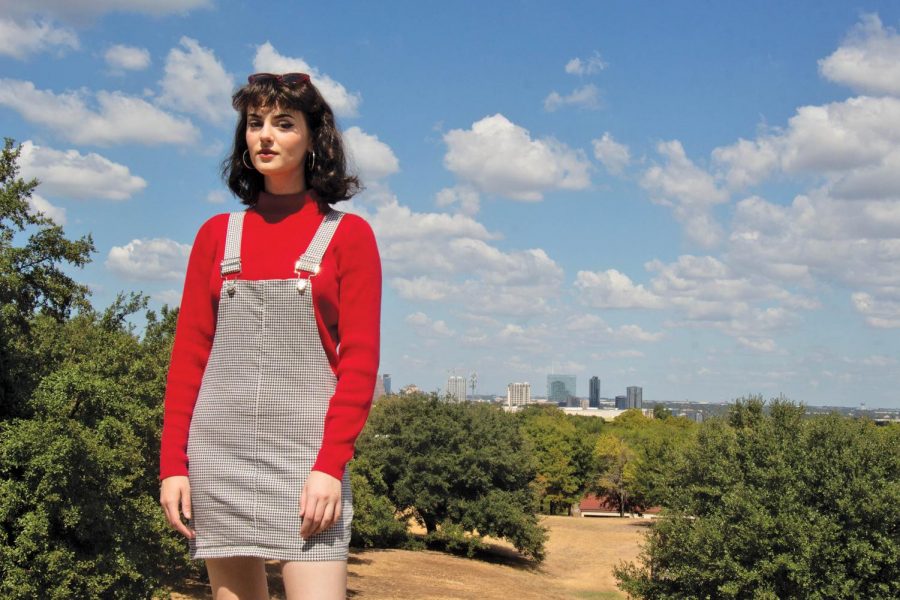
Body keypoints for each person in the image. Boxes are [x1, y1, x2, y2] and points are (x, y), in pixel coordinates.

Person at [159, 72, 381, 600]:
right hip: (218, 456)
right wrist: (173, 466)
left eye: (283, 124)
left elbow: (360, 364)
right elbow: (189, 357)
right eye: (255, 124)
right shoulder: (216, 236)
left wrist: (330, 465)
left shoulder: (349, 236)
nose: (265, 136)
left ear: (312, 138)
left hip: (308, 459)